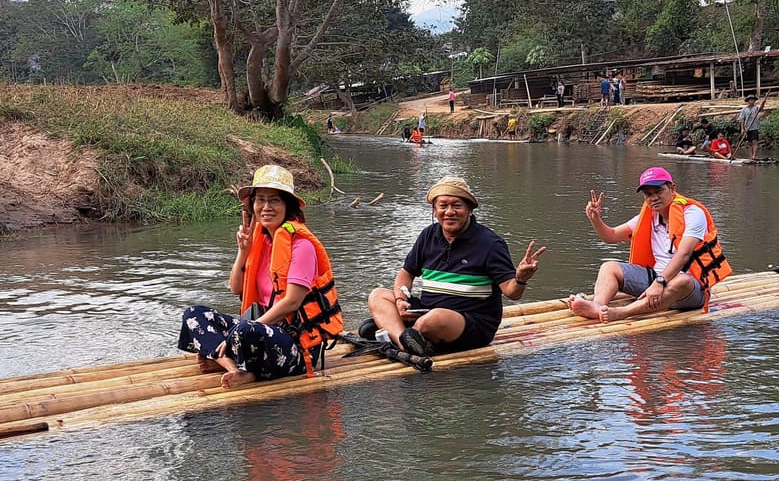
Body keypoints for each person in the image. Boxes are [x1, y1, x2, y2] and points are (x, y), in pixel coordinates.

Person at [177, 165, 344, 388]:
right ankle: (231, 366)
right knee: (194, 314)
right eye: (260, 200)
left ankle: (233, 363)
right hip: (260, 331)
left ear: (288, 205)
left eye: (274, 200)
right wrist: (243, 250)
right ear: (252, 205)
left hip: (295, 344)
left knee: (246, 330)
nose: (266, 207)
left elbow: (292, 302)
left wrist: (240, 331)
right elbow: (236, 289)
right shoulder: (260, 241)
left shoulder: (302, 246)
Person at [365, 176, 546, 356]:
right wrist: (400, 300)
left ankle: (400, 336)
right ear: (434, 210)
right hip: (427, 310)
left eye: (457, 205)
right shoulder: (428, 236)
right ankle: (406, 342)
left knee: (433, 320)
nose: (449, 212)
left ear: (469, 209)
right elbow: (406, 274)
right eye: (443, 206)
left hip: (471, 322)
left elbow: (512, 292)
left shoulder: (490, 244)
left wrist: (520, 278)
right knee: (378, 295)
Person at [567, 166, 732, 323]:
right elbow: (611, 236)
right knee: (609, 267)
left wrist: (659, 283)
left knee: (682, 281)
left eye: (659, 191)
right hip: (655, 279)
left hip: (690, 289)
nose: (653, 198)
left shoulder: (693, 213)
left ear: (672, 188)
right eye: (648, 194)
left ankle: (622, 313)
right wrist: (595, 219)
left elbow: (684, 254)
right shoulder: (648, 216)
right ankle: (597, 305)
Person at [738, 94, 765, 160]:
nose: (751, 101)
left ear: (754, 101)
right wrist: (742, 129)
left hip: (755, 127)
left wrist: (763, 103)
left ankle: (754, 156)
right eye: (750, 100)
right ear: (748, 101)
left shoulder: (756, 107)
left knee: (754, 142)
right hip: (747, 128)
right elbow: (742, 119)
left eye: (752, 100)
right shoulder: (744, 109)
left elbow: (761, 108)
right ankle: (750, 156)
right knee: (750, 143)